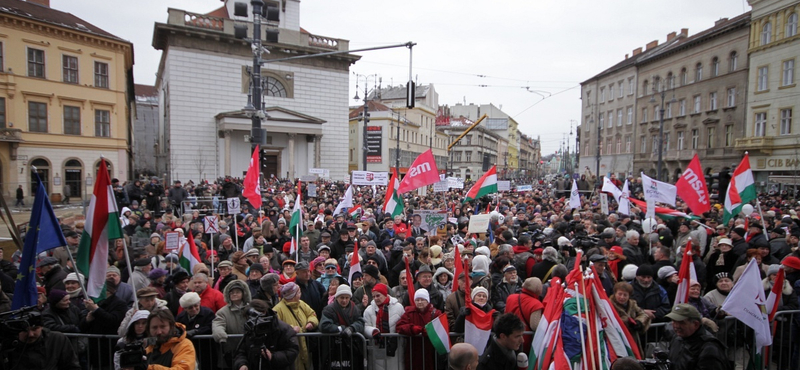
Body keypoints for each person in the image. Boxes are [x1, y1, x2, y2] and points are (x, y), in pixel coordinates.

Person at [233, 299, 300, 370]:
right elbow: (241, 352)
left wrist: (272, 356)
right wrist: (242, 364)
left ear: (264, 312)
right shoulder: (250, 328)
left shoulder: (283, 329)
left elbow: (293, 351)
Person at [3, 311, 81, 369]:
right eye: (25, 330)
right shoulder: (7, 344)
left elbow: (72, 366)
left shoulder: (57, 340)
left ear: (41, 327)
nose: (30, 334)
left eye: (35, 329)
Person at [665, 303, 728, 370]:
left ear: (695, 324)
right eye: (674, 321)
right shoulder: (677, 338)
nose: (676, 326)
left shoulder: (709, 347)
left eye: (681, 322)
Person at [272, 282, 318, 370]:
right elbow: (276, 327)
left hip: (305, 346)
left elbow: (312, 314)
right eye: (299, 292)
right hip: (290, 348)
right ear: (293, 295)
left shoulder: (301, 304)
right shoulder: (277, 309)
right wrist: (291, 329)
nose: (301, 294)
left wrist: (311, 322)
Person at [320, 284, 366, 370]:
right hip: (333, 348)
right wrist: (340, 329)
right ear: (337, 297)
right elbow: (324, 325)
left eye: (347, 298)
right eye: (342, 297)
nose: (344, 300)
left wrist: (352, 328)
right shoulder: (329, 309)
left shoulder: (355, 309)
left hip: (351, 347)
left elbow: (360, 322)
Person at [363, 283, 405, 370]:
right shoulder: (369, 310)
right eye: (373, 296)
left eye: (378, 295)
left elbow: (403, 322)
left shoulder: (398, 307)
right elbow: (366, 326)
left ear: (385, 294)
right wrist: (373, 331)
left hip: (395, 348)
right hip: (377, 347)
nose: (376, 299)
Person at [397, 289, 442, 370]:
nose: (420, 302)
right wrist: (413, 329)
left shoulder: (436, 313)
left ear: (427, 301)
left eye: (422, 300)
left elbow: (441, 328)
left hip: (430, 351)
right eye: (417, 300)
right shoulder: (409, 312)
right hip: (413, 350)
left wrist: (429, 331)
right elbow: (400, 327)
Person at [213, 279, 252, 368]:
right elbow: (218, 324)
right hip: (232, 350)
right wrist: (220, 335)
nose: (234, 294)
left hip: (250, 349)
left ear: (243, 294)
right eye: (232, 292)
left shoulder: (251, 308)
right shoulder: (222, 312)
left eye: (237, 292)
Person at [609, 281, 650, 354]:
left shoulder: (632, 304)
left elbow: (643, 314)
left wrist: (639, 322)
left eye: (625, 295)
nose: (622, 297)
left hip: (632, 338)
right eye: (620, 294)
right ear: (615, 293)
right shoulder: (609, 305)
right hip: (617, 338)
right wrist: (626, 320)